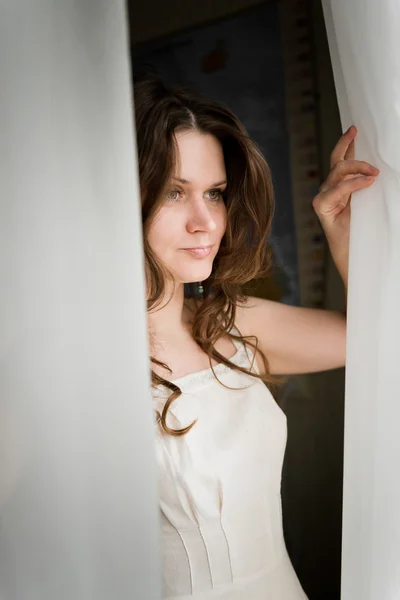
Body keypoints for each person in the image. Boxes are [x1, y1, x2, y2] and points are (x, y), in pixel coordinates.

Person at [134, 73, 379, 599]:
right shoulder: (74, 365)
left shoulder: (235, 323)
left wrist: (342, 233)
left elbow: (386, 339)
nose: (205, 222)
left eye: (215, 194)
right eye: (175, 192)